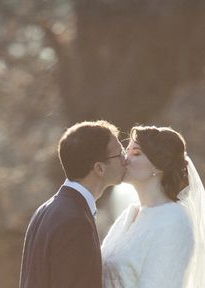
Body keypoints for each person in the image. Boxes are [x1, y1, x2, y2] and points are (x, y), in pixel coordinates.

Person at [101, 126, 205, 288]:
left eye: (136, 153)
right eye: (127, 152)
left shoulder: (173, 220)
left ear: (158, 165)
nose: (125, 159)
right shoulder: (130, 214)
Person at [20, 120, 127, 288]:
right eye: (120, 154)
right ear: (99, 168)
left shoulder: (46, 210)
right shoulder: (75, 221)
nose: (125, 159)